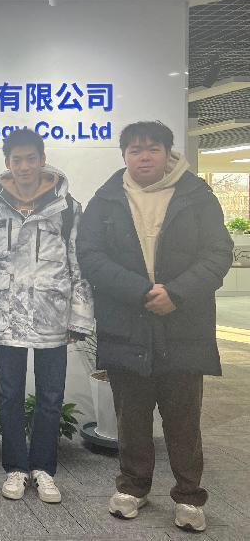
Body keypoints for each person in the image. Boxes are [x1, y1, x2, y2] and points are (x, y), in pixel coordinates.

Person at [78, 121, 233, 533]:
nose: (143, 157)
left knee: (183, 418)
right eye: (134, 150)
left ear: (167, 153)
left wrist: (176, 293)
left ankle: (188, 496)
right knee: (131, 416)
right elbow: (89, 255)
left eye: (152, 149)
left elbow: (219, 253)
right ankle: (132, 487)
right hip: (127, 322)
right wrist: (141, 291)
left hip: (183, 323)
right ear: (123, 155)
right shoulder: (105, 199)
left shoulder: (197, 196)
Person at [0, 128, 94, 504]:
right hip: (7, 312)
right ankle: (15, 468)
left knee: (51, 396)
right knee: (10, 394)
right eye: (16, 159)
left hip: (51, 313)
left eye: (30, 158)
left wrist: (79, 318)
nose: (24, 166)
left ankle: (43, 469)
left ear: (42, 159)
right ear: (7, 162)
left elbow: (79, 264)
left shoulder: (68, 207)